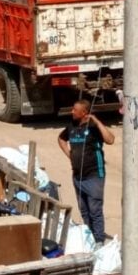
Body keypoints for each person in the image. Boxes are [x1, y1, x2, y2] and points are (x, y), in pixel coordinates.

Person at [58, 99, 115, 247]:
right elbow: (61, 139)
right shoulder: (71, 126)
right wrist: (69, 154)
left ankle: (99, 241)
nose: (72, 112)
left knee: (95, 210)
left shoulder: (94, 127)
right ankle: (89, 237)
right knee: (84, 210)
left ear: (84, 113)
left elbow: (110, 139)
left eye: (75, 110)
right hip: (77, 176)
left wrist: (96, 120)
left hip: (94, 176)